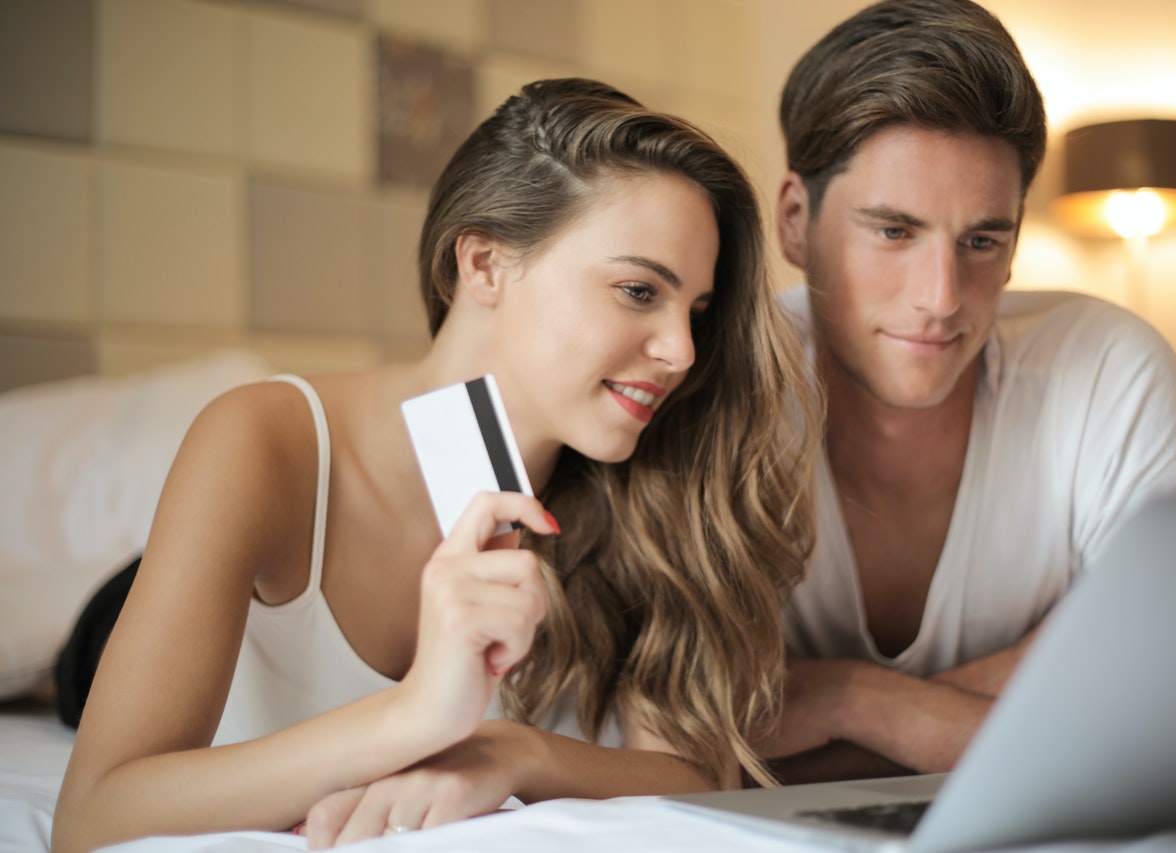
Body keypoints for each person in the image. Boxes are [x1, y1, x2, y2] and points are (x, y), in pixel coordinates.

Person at [52, 77, 818, 852]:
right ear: (483, 263)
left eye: (695, 312)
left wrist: (512, 751)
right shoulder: (263, 440)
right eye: (637, 290)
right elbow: (91, 818)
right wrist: (415, 713)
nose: (682, 351)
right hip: (139, 604)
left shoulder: (651, 492)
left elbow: (692, 772)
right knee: (68, 642)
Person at [758, 0, 1176, 783]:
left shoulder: (1102, 366)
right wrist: (1057, 675)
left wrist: (857, 701)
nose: (941, 297)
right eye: (894, 231)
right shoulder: (720, 389)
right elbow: (685, 730)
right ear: (795, 220)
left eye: (982, 239)